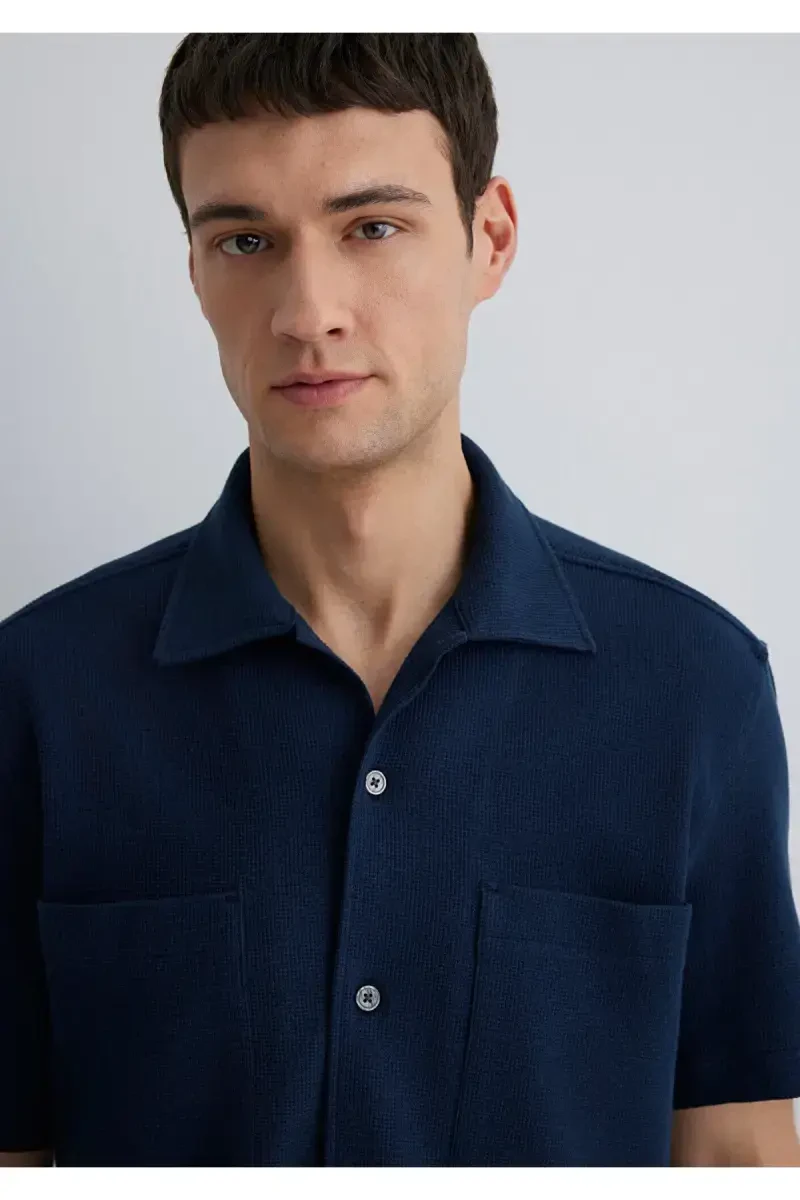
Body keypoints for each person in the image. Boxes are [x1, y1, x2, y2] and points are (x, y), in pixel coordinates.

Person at [2, 33, 800, 1169]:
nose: (307, 311)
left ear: (490, 238)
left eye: (372, 227)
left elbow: (735, 1156)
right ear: (194, 272)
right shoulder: (40, 692)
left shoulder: (693, 686)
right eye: (245, 240)